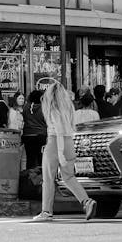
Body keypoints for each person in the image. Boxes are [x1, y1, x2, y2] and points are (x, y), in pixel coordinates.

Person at [32, 82, 97, 222]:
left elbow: (58, 131)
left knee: (48, 179)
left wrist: (59, 153)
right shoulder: (69, 108)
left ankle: (46, 211)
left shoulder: (53, 109)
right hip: (69, 142)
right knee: (69, 177)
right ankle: (86, 201)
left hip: (55, 143)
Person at [22, 90, 47, 170]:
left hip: (27, 135)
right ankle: (40, 177)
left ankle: (29, 177)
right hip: (41, 136)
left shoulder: (26, 107)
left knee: (30, 158)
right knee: (41, 158)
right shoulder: (44, 108)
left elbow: (24, 119)